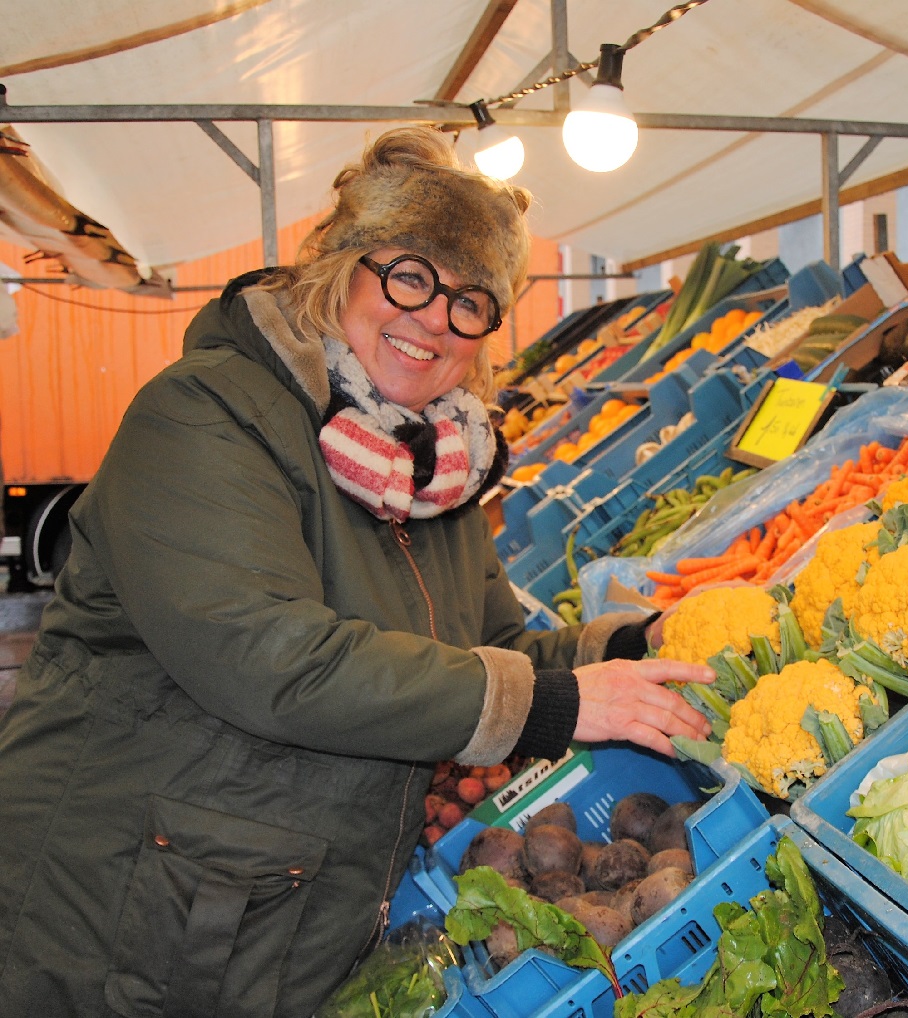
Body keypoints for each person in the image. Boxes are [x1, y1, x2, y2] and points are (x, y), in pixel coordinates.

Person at [0, 126, 712, 1016]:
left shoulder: (434, 469)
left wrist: (636, 643)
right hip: (134, 913)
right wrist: (560, 702)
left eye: (471, 301)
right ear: (341, 267)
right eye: (410, 275)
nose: (433, 320)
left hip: (290, 913)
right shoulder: (203, 414)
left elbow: (495, 650)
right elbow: (269, 656)